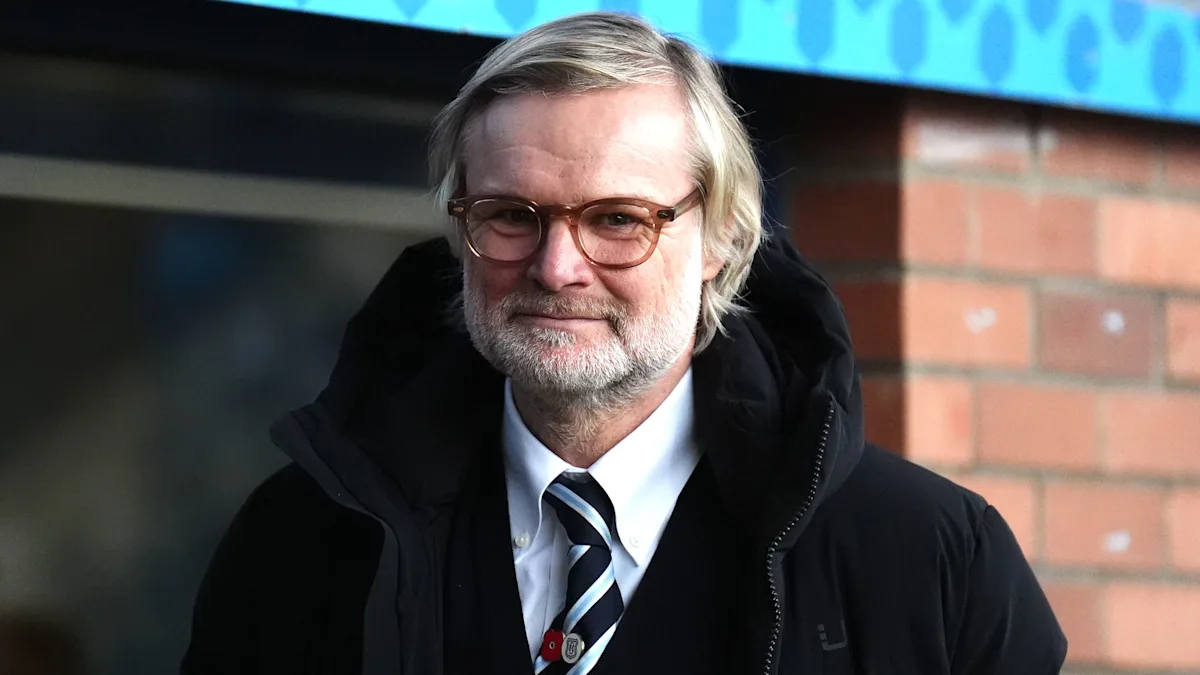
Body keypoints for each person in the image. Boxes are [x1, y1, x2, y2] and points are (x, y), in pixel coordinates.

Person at [182, 11, 1066, 675]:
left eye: (617, 219)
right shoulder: (301, 543)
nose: (557, 266)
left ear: (723, 240)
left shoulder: (932, 564)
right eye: (511, 214)